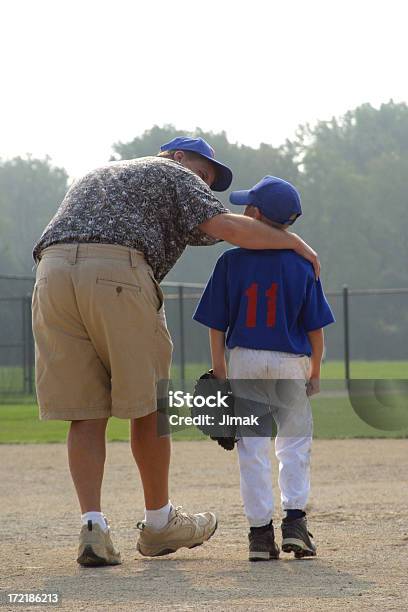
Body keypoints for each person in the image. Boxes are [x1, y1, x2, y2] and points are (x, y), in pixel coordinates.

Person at [32, 137, 321, 567]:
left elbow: (214, 231)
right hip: (114, 273)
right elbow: (231, 228)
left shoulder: (106, 174)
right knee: (149, 403)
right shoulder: (171, 172)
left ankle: (93, 526)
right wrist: (296, 243)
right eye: (205, 174)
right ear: (179, 156)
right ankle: (159, 521)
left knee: (85, 411)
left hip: (51, 275)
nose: (205, 186)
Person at [193, 176, 335, 561]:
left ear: (254, 215)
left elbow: (216, 326)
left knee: (251, 449)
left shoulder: (231, 260)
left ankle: (260, 536)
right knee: (294, 445)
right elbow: (315, 330)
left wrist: (220, 371)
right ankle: (295, 525)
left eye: (246, 207)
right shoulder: (303, 264)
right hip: (290, 361)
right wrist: (316, 372)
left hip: (245, 359)